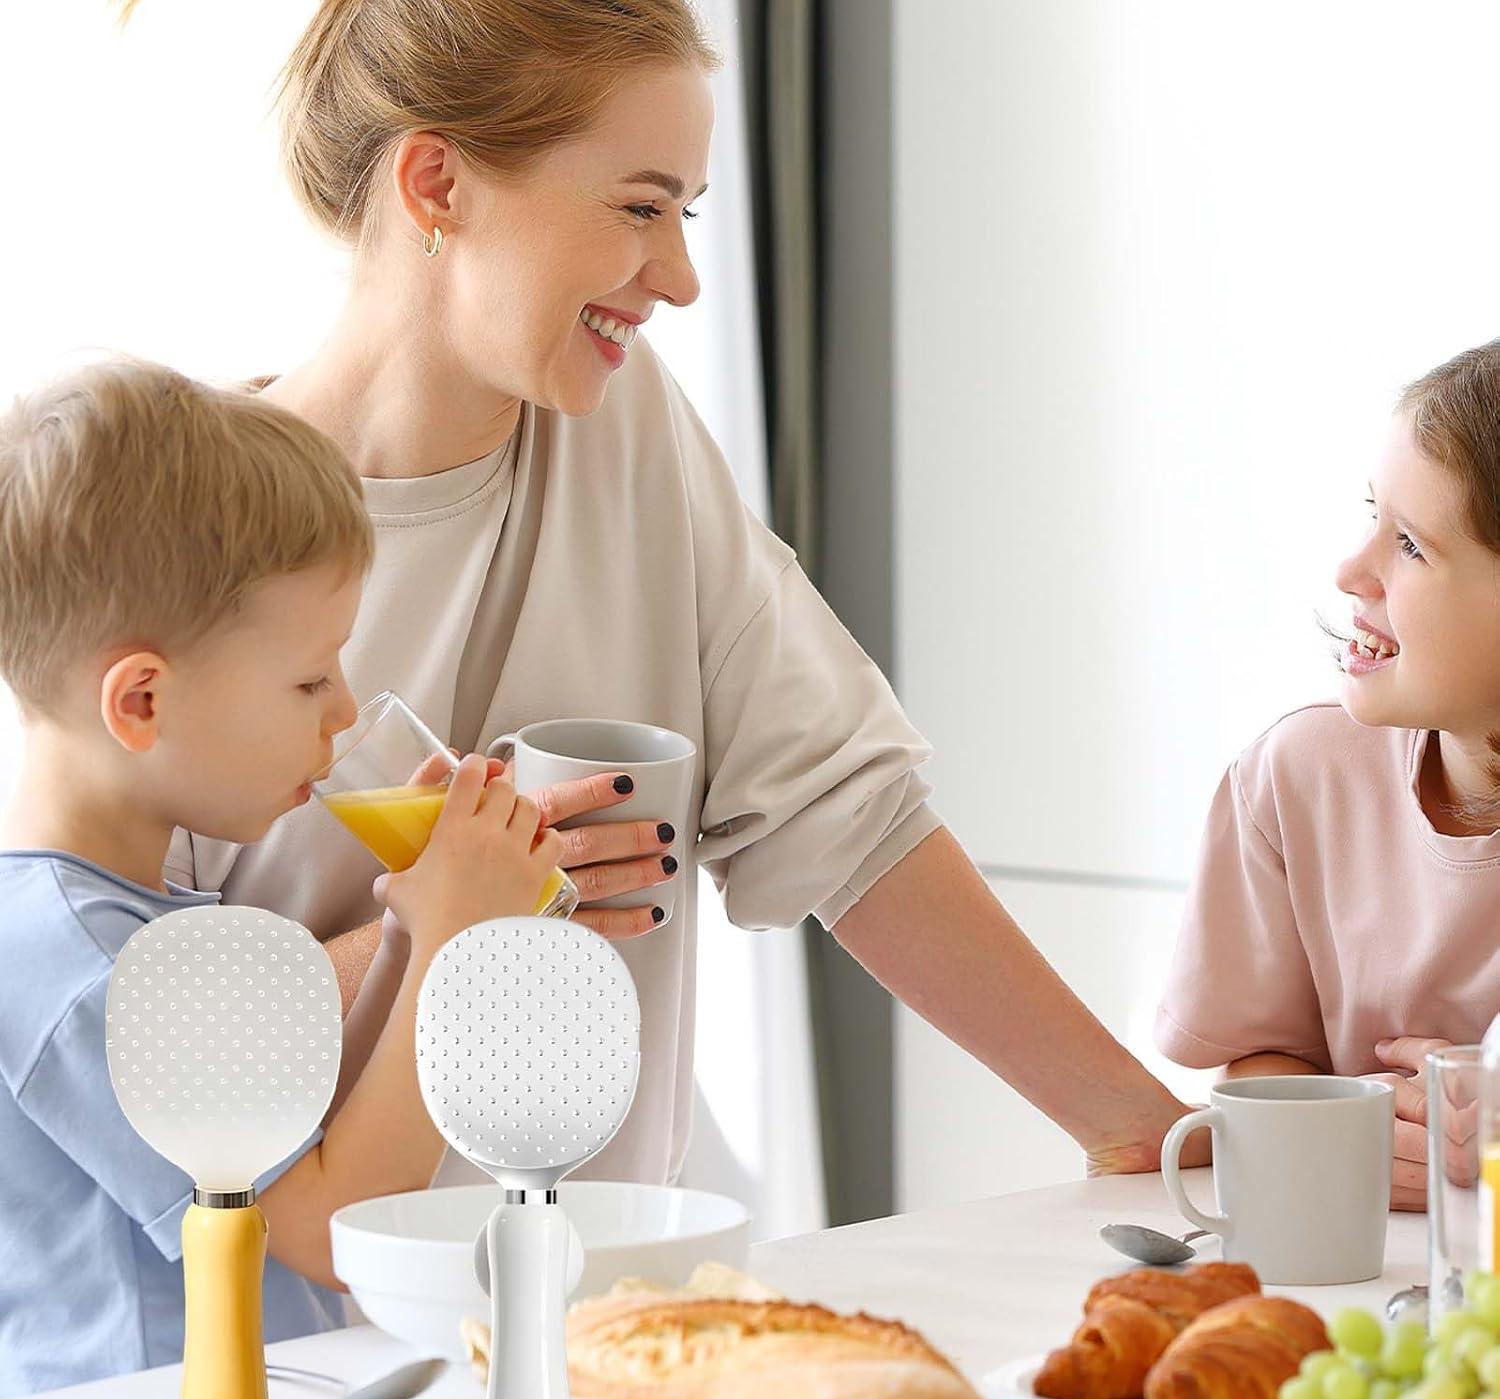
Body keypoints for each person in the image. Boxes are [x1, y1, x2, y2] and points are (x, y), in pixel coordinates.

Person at [161, 0, 1196, 1186]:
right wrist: (443, 921)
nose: (684, 279)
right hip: (299, 1297)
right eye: (640, 208)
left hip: (615, 1275)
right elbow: (107, 1048)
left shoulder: (619, 429)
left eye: (687, 214)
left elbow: (849, 817)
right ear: (437, 185)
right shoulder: (173, 526)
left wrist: (1142, 1127)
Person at [0, 361, 562, 1395]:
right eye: (309, 679)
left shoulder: (118, 923)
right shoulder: (85, 972)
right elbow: (329, 1229)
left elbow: (305, 1143)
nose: (344, 711)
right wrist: (456, 944)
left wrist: (411, 933)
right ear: (141, 702)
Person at [1155, 338, 1500, 1210]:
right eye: (1374, 515)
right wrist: (1341, 1127)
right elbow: (1263, 1061)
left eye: (1411, 545)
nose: (1350, 571)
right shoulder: (1300, 776)